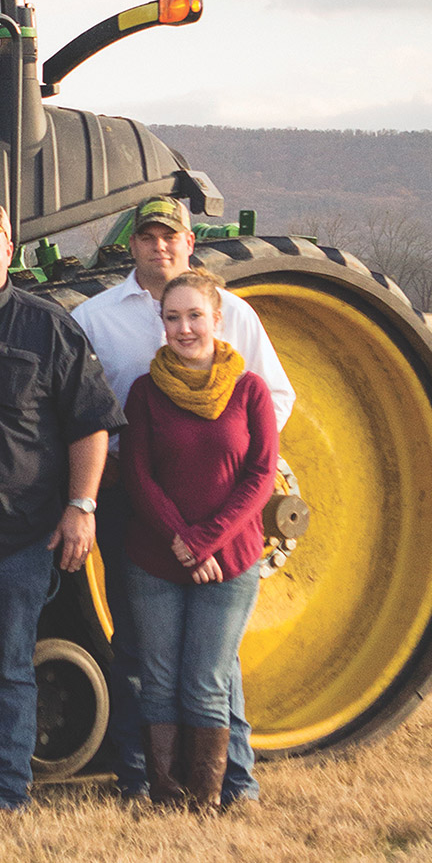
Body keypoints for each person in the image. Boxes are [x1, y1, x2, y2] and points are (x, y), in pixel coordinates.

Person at [72, 194, 293, 804]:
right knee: (140, 649)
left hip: (226, 515)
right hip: (136, 504)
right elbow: (92, 414)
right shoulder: (97, 317)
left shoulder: (237, 315)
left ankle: (233, 781)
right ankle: (144, 778)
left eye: (171, 236)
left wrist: (216, 509)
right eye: (148, 237)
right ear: (133, 244)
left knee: (213, 661)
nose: (160, 246)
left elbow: (274, 401)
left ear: (189, 241)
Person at [0, 201, 125, 814]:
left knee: (6, 670)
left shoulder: (49, 327)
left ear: (9, 249)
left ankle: (3, 795)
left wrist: (81, 506)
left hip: (15, 535)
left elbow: (89, 425)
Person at [120, 269, 278, 809]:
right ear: (161, 324)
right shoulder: (144, 392)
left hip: (230, 560)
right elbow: (138, 477)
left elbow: (261, 476)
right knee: (159, 677)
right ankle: (166, 794)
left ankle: (208, 799)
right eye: (172, 318)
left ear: (217, 318)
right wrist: (180, 541)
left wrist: (205, 541)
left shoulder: (249, 389)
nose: (184, 328)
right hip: (155, 557)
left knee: (208, 679)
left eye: (194, 316)